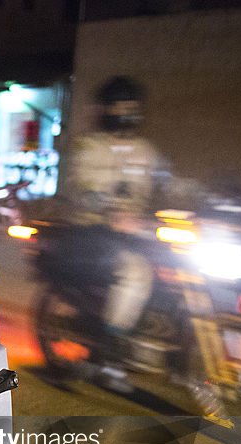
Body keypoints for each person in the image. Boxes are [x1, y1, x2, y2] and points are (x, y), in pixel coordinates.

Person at [63, 75, 171, 392]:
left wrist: (208, 197)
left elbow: (167, 182)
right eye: (119, 105)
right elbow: (77, 185)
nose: (126, 111)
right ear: (105, 109)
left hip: (135, 231)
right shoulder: (88, 147)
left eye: (132, 106)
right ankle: (107, 356)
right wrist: (104, 205)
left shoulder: (145, 151)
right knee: (135, 274)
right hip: (93, 231)